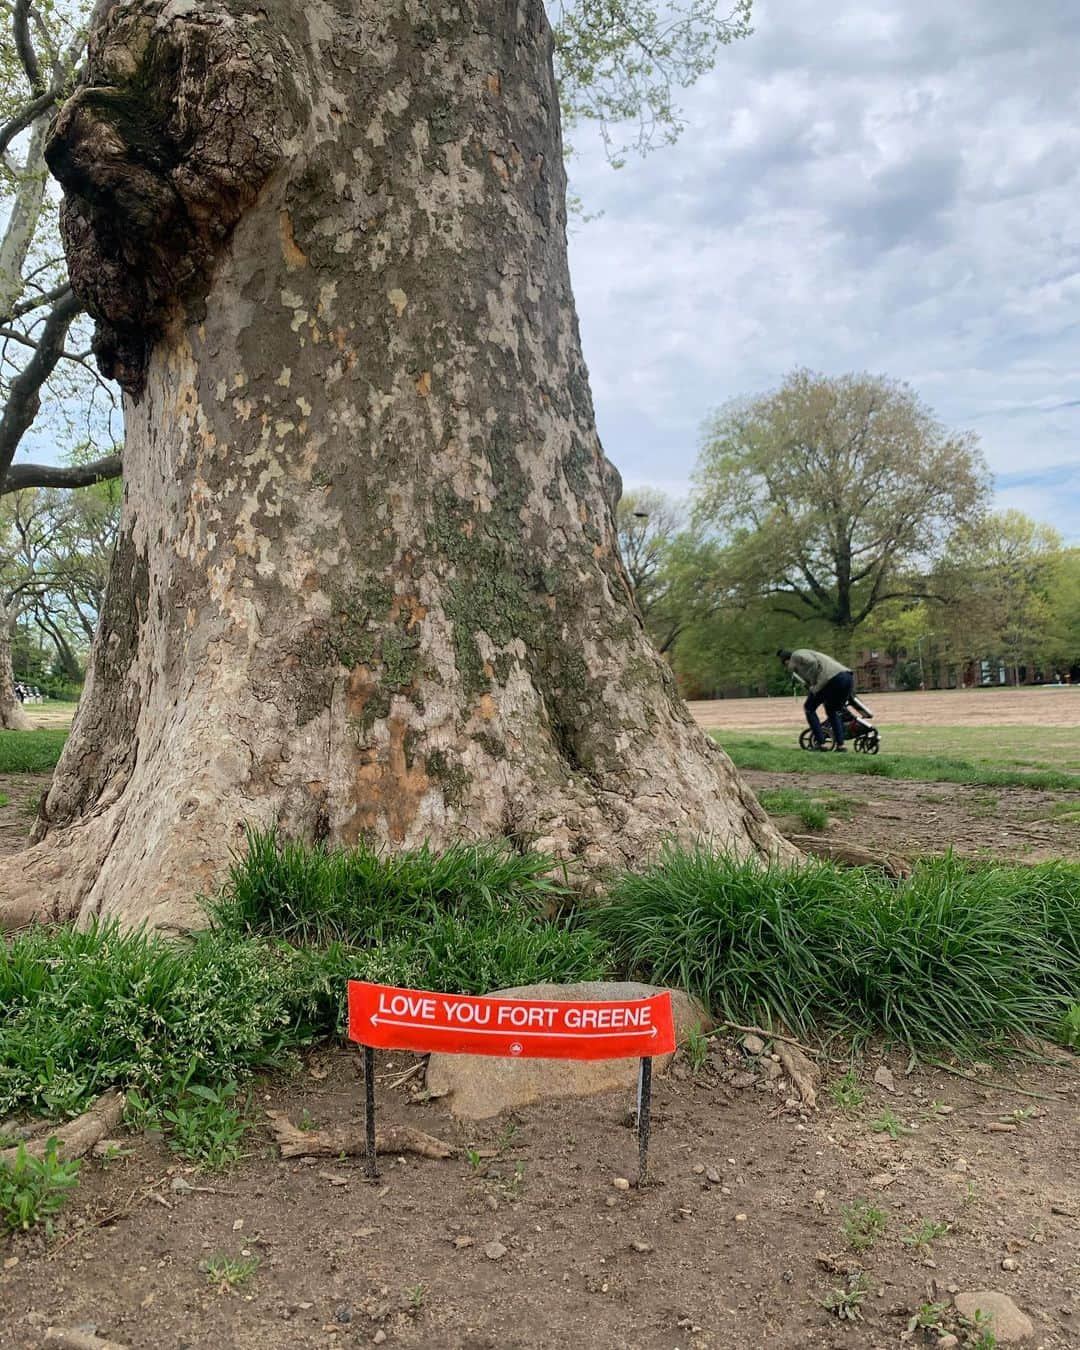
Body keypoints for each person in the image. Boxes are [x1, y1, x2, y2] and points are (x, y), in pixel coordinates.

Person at [777, 648, 855, 751]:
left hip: (831, 680)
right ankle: (841, 745)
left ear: (786, 660)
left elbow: (812, 663)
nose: (788, 667)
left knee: (809, 708)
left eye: (785, 664)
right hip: (847, 677)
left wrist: (814, 684)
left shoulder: (796, 655)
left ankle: (821, 743)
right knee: (832, 711)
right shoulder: (811, 653)